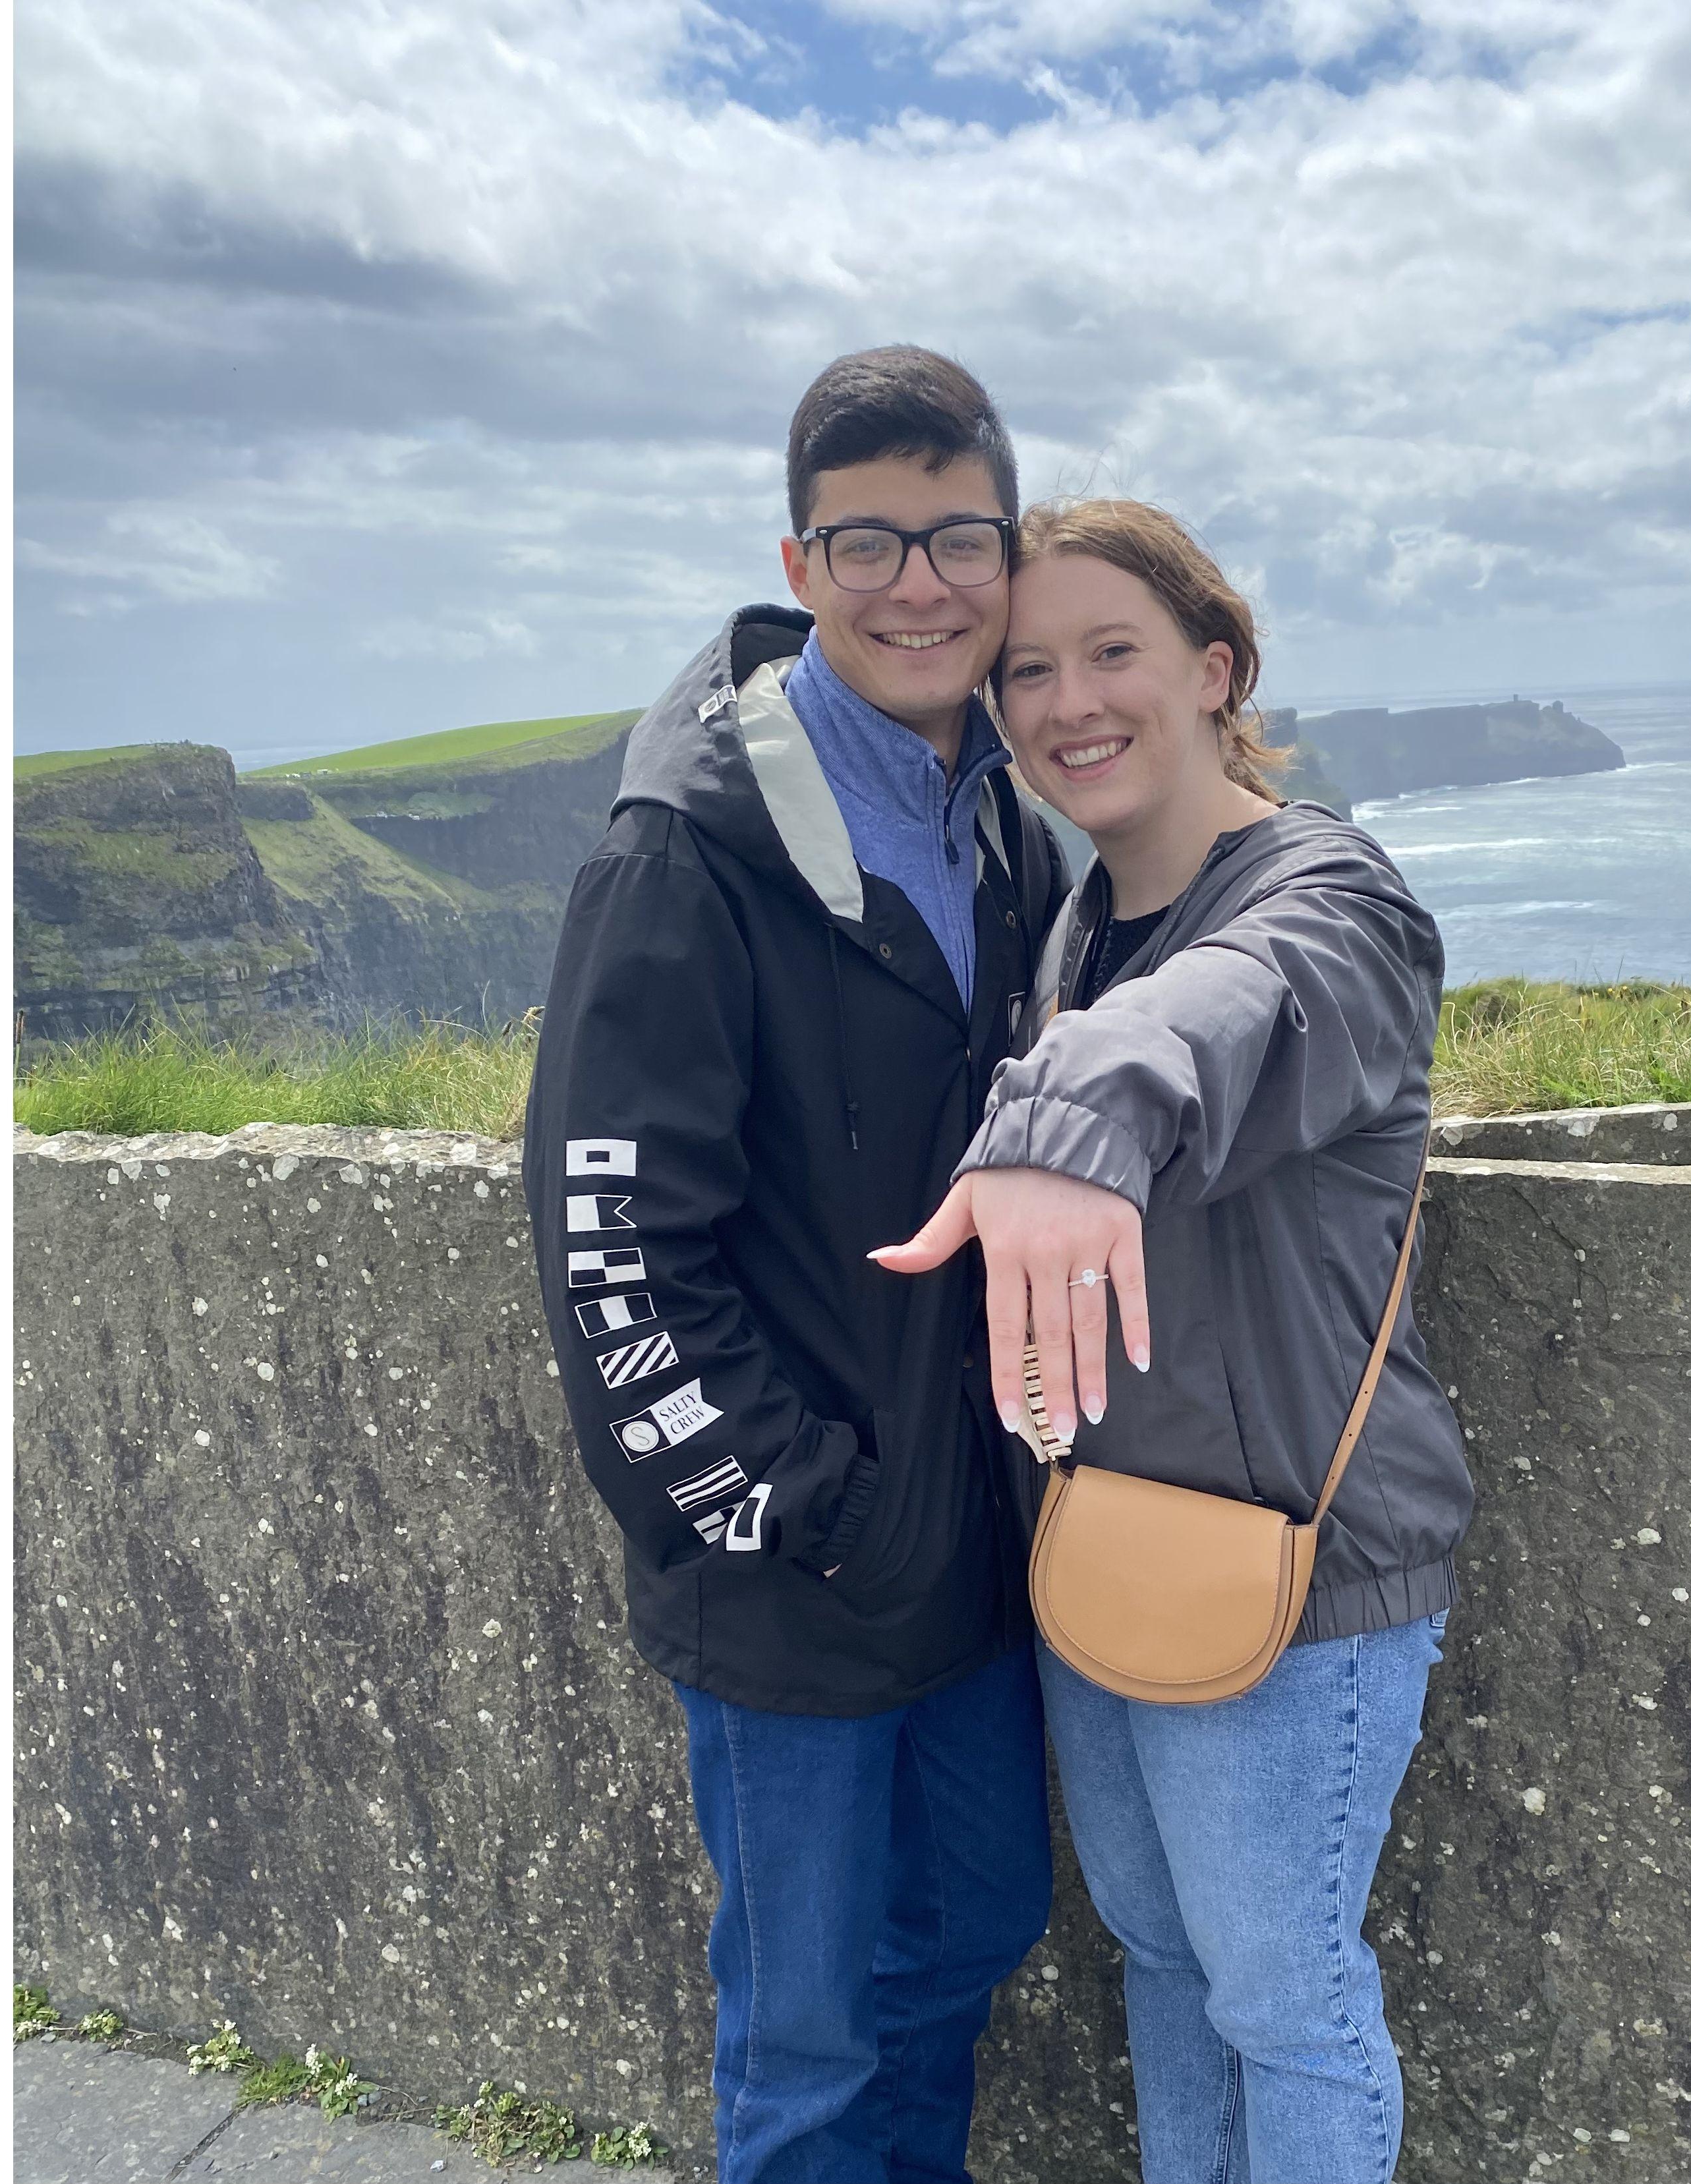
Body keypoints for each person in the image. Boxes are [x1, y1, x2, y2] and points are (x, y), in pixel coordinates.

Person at [874, 498, 1475, 2184]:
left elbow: (1229, 1007)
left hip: (1295, 1571)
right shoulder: (1083, 923)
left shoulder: (1330, 895)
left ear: (1217, 672)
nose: (1069, 701)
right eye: (1028, 671)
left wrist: (1063, 1112)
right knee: (1163, 1957)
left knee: (1286, 2001)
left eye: (1114, 652)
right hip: (1110, 1541)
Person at [523, 347, 1069, 2184]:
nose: (920, 583)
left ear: (1009, 548)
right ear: (801, 555)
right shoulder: (684, 846)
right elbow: (613, 1250)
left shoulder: (997, 813)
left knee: (974, 1939)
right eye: (870, 542)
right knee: (807, 2044)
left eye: (958, 537)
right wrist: (813, 1508)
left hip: (973, 1549)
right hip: (794, 1568)